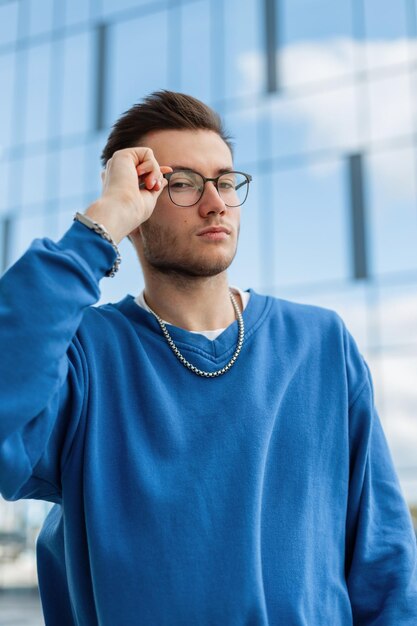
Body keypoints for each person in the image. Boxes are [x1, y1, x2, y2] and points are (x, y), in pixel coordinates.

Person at [0, 90, 416, 625]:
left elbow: (383, 564)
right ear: (139, 207)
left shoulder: (321, 344)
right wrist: (101, 225)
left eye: (224, 181)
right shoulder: (83, 355)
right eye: (182, 184)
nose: (215, 201)